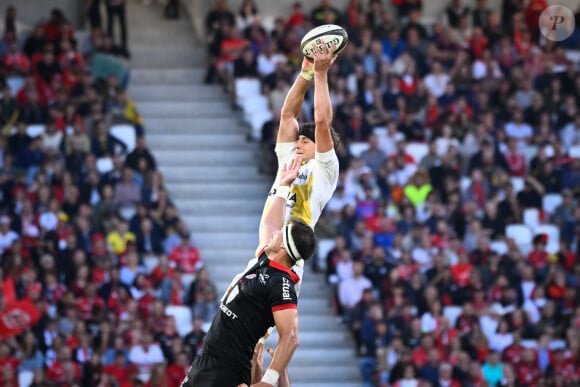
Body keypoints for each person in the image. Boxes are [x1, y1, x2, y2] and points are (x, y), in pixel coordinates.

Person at [180, 157, 316, 387]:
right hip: (208, 360)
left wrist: (269, 381)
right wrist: (283, 185)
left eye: (281, 233)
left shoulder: (281, 282)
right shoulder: (265, 259)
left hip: (227, 369)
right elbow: (268, 224)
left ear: (284, 246)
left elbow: (290, 337)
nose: (275, 233)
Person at [258, 39, 340, 286]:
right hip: (264, 251)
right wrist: (305, 72)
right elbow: (287, 115)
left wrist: (321, 75)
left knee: (276, 322)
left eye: (306, 141)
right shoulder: (290, 158)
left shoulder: (325, 169)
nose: (299, 144)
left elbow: (323, 123)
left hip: (289, 259)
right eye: (299, 139)